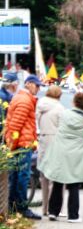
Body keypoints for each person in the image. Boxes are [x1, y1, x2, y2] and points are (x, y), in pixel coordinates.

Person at [38, 91, 83, 223]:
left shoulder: (64, 114)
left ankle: (53, 212)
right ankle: (73, 216)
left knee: (58, 180)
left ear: (74, 102)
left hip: (61, 150)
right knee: (74, 184)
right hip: (77, 154)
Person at [4, 76, 41, 218]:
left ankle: (13, 206)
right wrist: (12, 146)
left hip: (20, 144)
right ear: (29, 84)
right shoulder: (25, 100)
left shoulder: (20, 98)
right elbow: (15, 126)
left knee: (15, 175)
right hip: (22, 144)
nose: (38, 89)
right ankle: (22, 207)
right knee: (22, 176)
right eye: (37, 86)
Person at [35, 85, 65, 218]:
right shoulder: (59, 108)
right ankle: (56, 209)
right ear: (59, 95)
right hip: (56, 142)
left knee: (44, 177)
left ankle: (44, 209)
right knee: (56, 177)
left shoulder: (39, 105)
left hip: (42, 140)